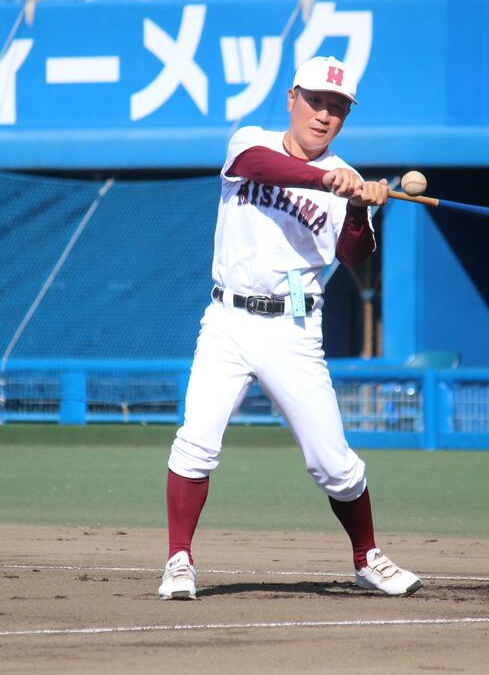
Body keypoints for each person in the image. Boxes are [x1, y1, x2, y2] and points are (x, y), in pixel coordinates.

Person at [159, 56, 422, 600]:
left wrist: (356, 207)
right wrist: (329, 180)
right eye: (316, 102)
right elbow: (261, 167)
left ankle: (367, 557)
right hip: (227, 320)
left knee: (334, 464)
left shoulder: (345, 176)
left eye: (338, 108)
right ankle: (178, 560)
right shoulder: (249, 141)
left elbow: (353, 255)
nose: (324, 116)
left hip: (293, 328)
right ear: (292, 98)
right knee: (195, 442)